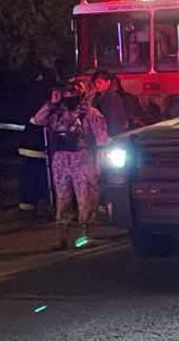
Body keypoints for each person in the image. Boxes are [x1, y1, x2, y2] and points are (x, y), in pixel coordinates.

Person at [31, 81, 109, 249]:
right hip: (61, 159)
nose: (68, 97)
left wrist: (100, 164)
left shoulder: (91, 114)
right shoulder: (57, 113)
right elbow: (37, 120)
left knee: (86, 199)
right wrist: (51, 103)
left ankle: (85, 236)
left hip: (83, 157)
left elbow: (102, 140)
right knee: (62, 198)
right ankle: (62, 238)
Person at [91, 70, 129, 137]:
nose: (97, 85)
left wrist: (111, 137)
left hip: (111, 136)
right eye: (95, 83)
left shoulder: (112, 98)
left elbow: (113, 120)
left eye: (99, 82)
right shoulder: (97, 97)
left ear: (108, 82)